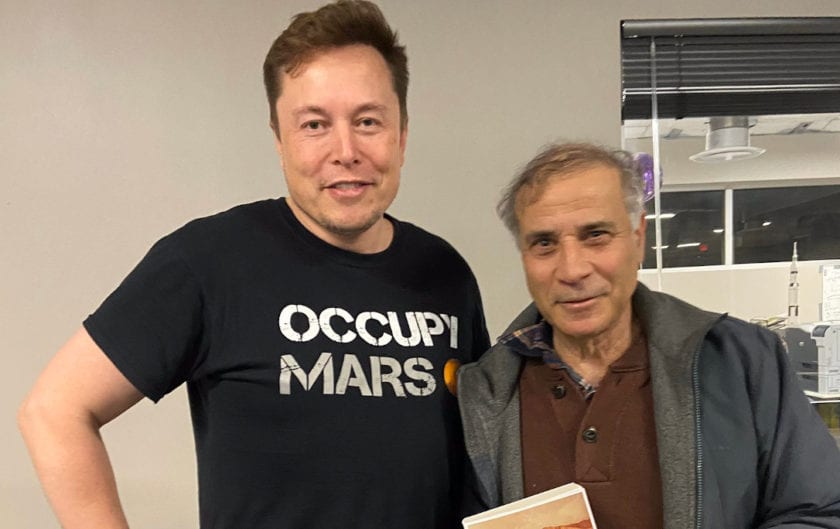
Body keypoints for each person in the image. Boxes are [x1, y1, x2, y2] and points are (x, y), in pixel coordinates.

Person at [17, 2, 490, 528]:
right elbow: (54, 410)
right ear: (280, 140)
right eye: (315, 124)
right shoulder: (209, 261)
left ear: (401, 135)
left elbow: (485, 453)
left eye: (368, 121)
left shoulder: (445, 274)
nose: (346, 150)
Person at [457, 142, 840, 529]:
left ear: (638, 237)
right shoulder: (486, 391)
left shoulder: (743, 362)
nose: (572, 270)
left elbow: (820, 511)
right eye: (544, 243)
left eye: (596, 235)